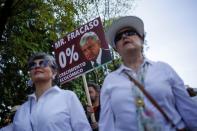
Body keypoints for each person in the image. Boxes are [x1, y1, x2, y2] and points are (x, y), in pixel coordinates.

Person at [99, 16, 197, 131]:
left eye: (130, 32)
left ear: (142, 39)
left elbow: (189, 112)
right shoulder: (110, 80)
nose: (125, 36)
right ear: (116, 49)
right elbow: (106, 125)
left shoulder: (164, 69)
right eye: (119, 37)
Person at [12, 52, 92, 131]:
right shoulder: (21, 111)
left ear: (54, 73)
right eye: (32, 65)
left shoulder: (68, 97)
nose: (37, 66)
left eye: (43, 63)